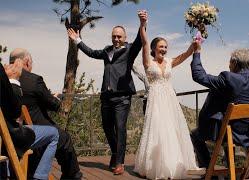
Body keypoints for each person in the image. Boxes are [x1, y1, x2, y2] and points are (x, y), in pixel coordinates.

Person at [67, 12, 145, 175]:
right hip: (106, 97)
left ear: (124, 37)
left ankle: (119, 162)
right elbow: (91, 52)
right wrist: (77, 40)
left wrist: (142, 23)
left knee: (120, 128)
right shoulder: (106, 51)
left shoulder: (130, 50)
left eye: (119, 37)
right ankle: (116, 152)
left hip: (122, 97)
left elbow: (139, 41)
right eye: (114, 36)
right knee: (107, 127)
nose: (116, 39)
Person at [133, 10, 200, 179]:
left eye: (165, 47)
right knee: (157, 130)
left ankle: (175, 164)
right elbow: (144, 41)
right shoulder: (148, 62)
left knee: (172, 129)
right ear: (154, 49)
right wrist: (143, 25)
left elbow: (186, 54)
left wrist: (198, 36)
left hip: (170, 99)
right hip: (156, 99)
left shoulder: (170, 61)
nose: (164, 49)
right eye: (161, 46)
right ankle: (156, 167)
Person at [9, 48, 81, 179]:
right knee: (64, 138)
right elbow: (53, 104)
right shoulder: (34, 80)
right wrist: (56, 99)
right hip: (33, 127)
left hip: (11, 129)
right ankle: (72, 175)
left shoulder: (4, 78)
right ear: (26, 62)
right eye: (31, 62)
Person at [190, 42, 249, 168]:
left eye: (230, 62)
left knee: (195, 135)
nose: (229, 65)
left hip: (226, 132)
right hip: (248, 133)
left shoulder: (228, 78)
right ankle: (229, 168)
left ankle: (209, 171)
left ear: (235, 63)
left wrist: (196, 53)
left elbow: (199, 76)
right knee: (226, 124)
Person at [0, 59, 59, 180]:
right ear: (27, 63)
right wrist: (13, 79)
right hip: (7, 140)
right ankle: (40, 177)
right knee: (54, 134)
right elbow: (15, 111)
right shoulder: (34, 80)